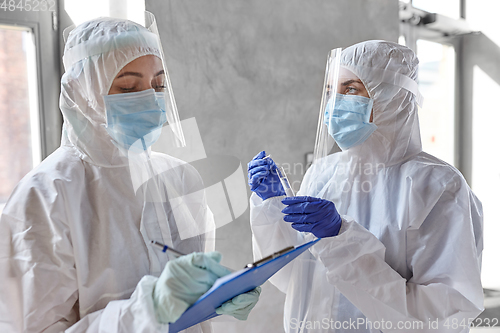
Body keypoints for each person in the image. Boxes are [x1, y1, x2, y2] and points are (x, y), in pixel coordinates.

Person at [0, 14, 259, 333]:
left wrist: (215, 293)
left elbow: (185, 292)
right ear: (81, 94)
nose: (151, 98)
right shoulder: (44, 195)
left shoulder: (179, 178)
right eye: (128, 87)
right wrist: (151, 308)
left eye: (158, 84)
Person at [248, 40, 483, 333]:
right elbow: (295, 278)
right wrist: (274, 209)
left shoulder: (436, 187)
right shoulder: (323, 173)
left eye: (350, 90)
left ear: (391, 95)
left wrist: (341, 240)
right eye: (330, 91)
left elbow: (441, 316)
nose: (335, 103)